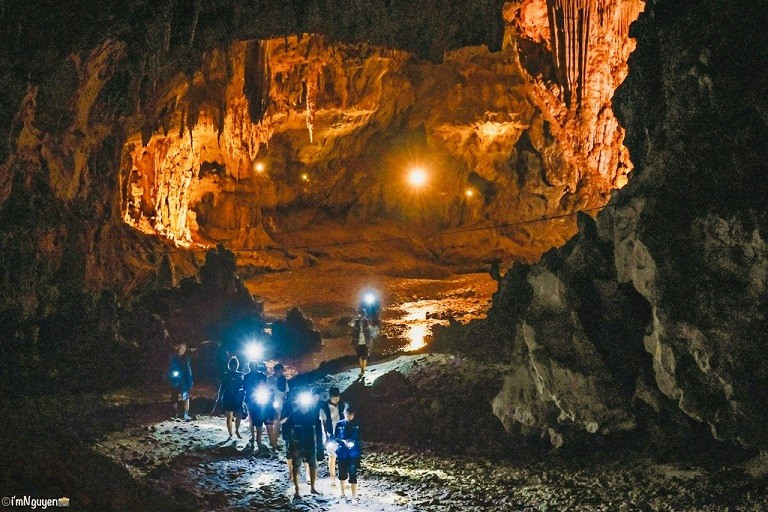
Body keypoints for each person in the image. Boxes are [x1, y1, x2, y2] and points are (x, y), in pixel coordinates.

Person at [285, 388, 323, 500]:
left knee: (313, 467)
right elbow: (289, 432)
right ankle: (297, 490)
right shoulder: (294, 416)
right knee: (296, 468)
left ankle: (313, 487)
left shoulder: (313, 415)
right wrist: (292, 446)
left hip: (310, 445)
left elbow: (317, 430)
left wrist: (319, 445)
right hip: (297, 446)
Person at [333, 403, 362, 504]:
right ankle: (342, 493)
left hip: (354, 453)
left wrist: (353, 442)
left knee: (353, 474)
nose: (349, 416)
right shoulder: (339, 424)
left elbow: (360, 438)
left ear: (354, 414)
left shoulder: (357, 424)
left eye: (351, 414)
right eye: (347, 414)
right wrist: (342, 441)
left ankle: (354, 496)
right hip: (342, 453)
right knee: (342, 474)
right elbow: (335, 437)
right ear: (344, 413)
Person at [320, 387, 345, 487]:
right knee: (332, 456)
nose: (336, 400)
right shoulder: (324, 407)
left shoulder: (342, 405)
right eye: (334, 398)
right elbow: (324, 423)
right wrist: (326, 437)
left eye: (337, 398)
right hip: (330, 434)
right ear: (330, 397)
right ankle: (332, 478)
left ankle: (342, 478)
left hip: (340, 434)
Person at [243, 361, 269, 451]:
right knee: (253, 418)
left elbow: (265, 386)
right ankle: (255, 438)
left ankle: (257, 438)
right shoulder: (248, 376)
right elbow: (244, 388)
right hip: (252, 400)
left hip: (257, 399)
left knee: (257, 419)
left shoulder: (260, 376)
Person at [220, 356, 244, 440]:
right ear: (229, 366)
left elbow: (243, 386)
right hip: (228, 396)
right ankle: (230, 433)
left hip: (237, 397)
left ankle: (237, 430)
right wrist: (219, 398)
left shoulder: (240, 375)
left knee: (240, 414)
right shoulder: (225, 375)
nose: (234, 366)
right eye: (233, 365)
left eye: (235, 365)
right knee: (229, 416)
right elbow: (222, 387)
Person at [168, 343, 193, 421]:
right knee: (174, 397)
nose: (181, 350)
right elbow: (171, 367)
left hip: (184, 380)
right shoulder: (173, 357)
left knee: (186, 397)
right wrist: (171, 376)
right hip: (175, 379)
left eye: (183, 348)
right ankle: (175, 413)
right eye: (180, 348)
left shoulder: (186, 358)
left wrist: (190, 381)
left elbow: (188, 369)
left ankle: (186, 414)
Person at [267, 363, 289, 447]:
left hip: (280, 403)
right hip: (270, 403)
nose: (281, 372)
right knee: (270, 422)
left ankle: (274, 440)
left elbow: (286, 392)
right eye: (279, 370)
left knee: (278, 422)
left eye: (281, 371)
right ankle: (272, 440)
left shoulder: (283, 380)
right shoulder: (269, 379)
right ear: (275, 370)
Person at [349, 308, 372, 377]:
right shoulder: (356, 321)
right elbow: (350, 324)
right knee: (359, 356)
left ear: (365, 314)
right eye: (361, 314)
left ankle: (363, 370)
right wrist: (355, 317)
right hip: (358, 341)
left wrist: (370, 339)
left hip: (365, 341)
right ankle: (362, 370)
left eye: (363, 314)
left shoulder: (366, 321)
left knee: (364, 356)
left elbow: (369, 331)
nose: (362, 315)